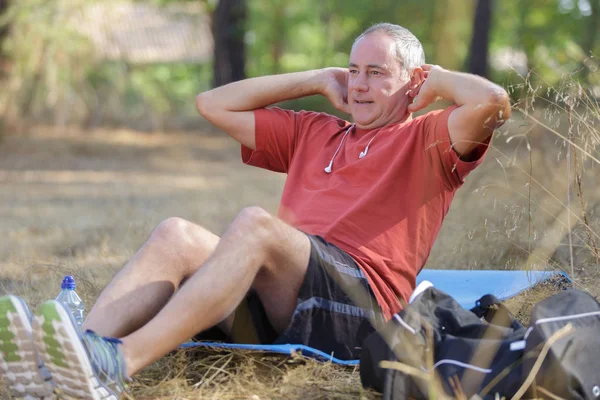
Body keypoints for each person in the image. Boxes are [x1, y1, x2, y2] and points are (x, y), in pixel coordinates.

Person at [0, 22, 510, 399]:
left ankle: (118, 364)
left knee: (255, 225)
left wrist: (439, 80)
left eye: (376, 74)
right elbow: (212, 104)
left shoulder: (427, 138)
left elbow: (493, 102)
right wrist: (315, 78)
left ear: (412, 81)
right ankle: (78, 358)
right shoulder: (318, 131)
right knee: (176, 232)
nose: (357, 86)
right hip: (285, 291)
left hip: (358, 306)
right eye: (353, 71)